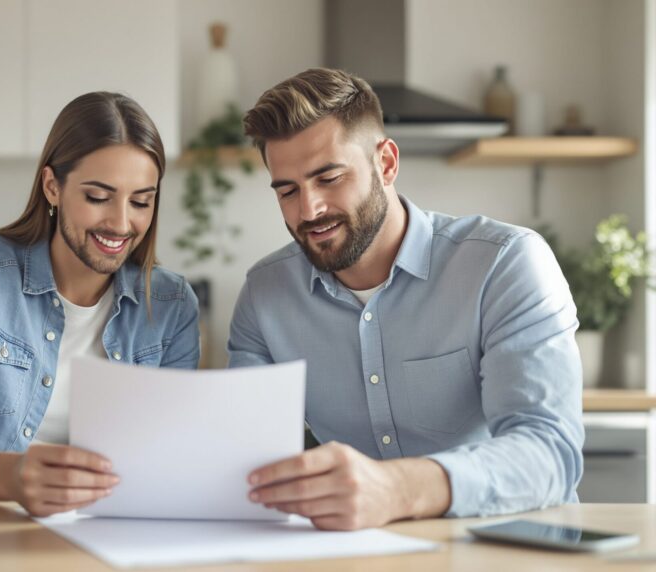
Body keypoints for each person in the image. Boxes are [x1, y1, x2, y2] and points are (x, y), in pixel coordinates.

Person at [231, 68, 583, 530]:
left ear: (387, 163)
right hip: (353, 556)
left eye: (329, 178)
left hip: (505, 546)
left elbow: (549, 453)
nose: (308, 210)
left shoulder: (504, 265)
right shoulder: (264, 295)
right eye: (288, 191)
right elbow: (244, 455)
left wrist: (397, 489)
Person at [0, 92, 200, 517]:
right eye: (98, 197)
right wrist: (12, 479)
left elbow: (172, 454)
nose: (122, 223)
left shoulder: (171, 304)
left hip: (113, 539)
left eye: (141, 201)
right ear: (53, 186)